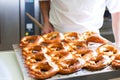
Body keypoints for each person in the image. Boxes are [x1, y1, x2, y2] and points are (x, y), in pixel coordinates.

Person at [39, 0, 120, 47]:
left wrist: (118, 43)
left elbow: (117, 12)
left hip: (92, 40)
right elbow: (44, 1)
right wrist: (46, 22)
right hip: (58, 37)